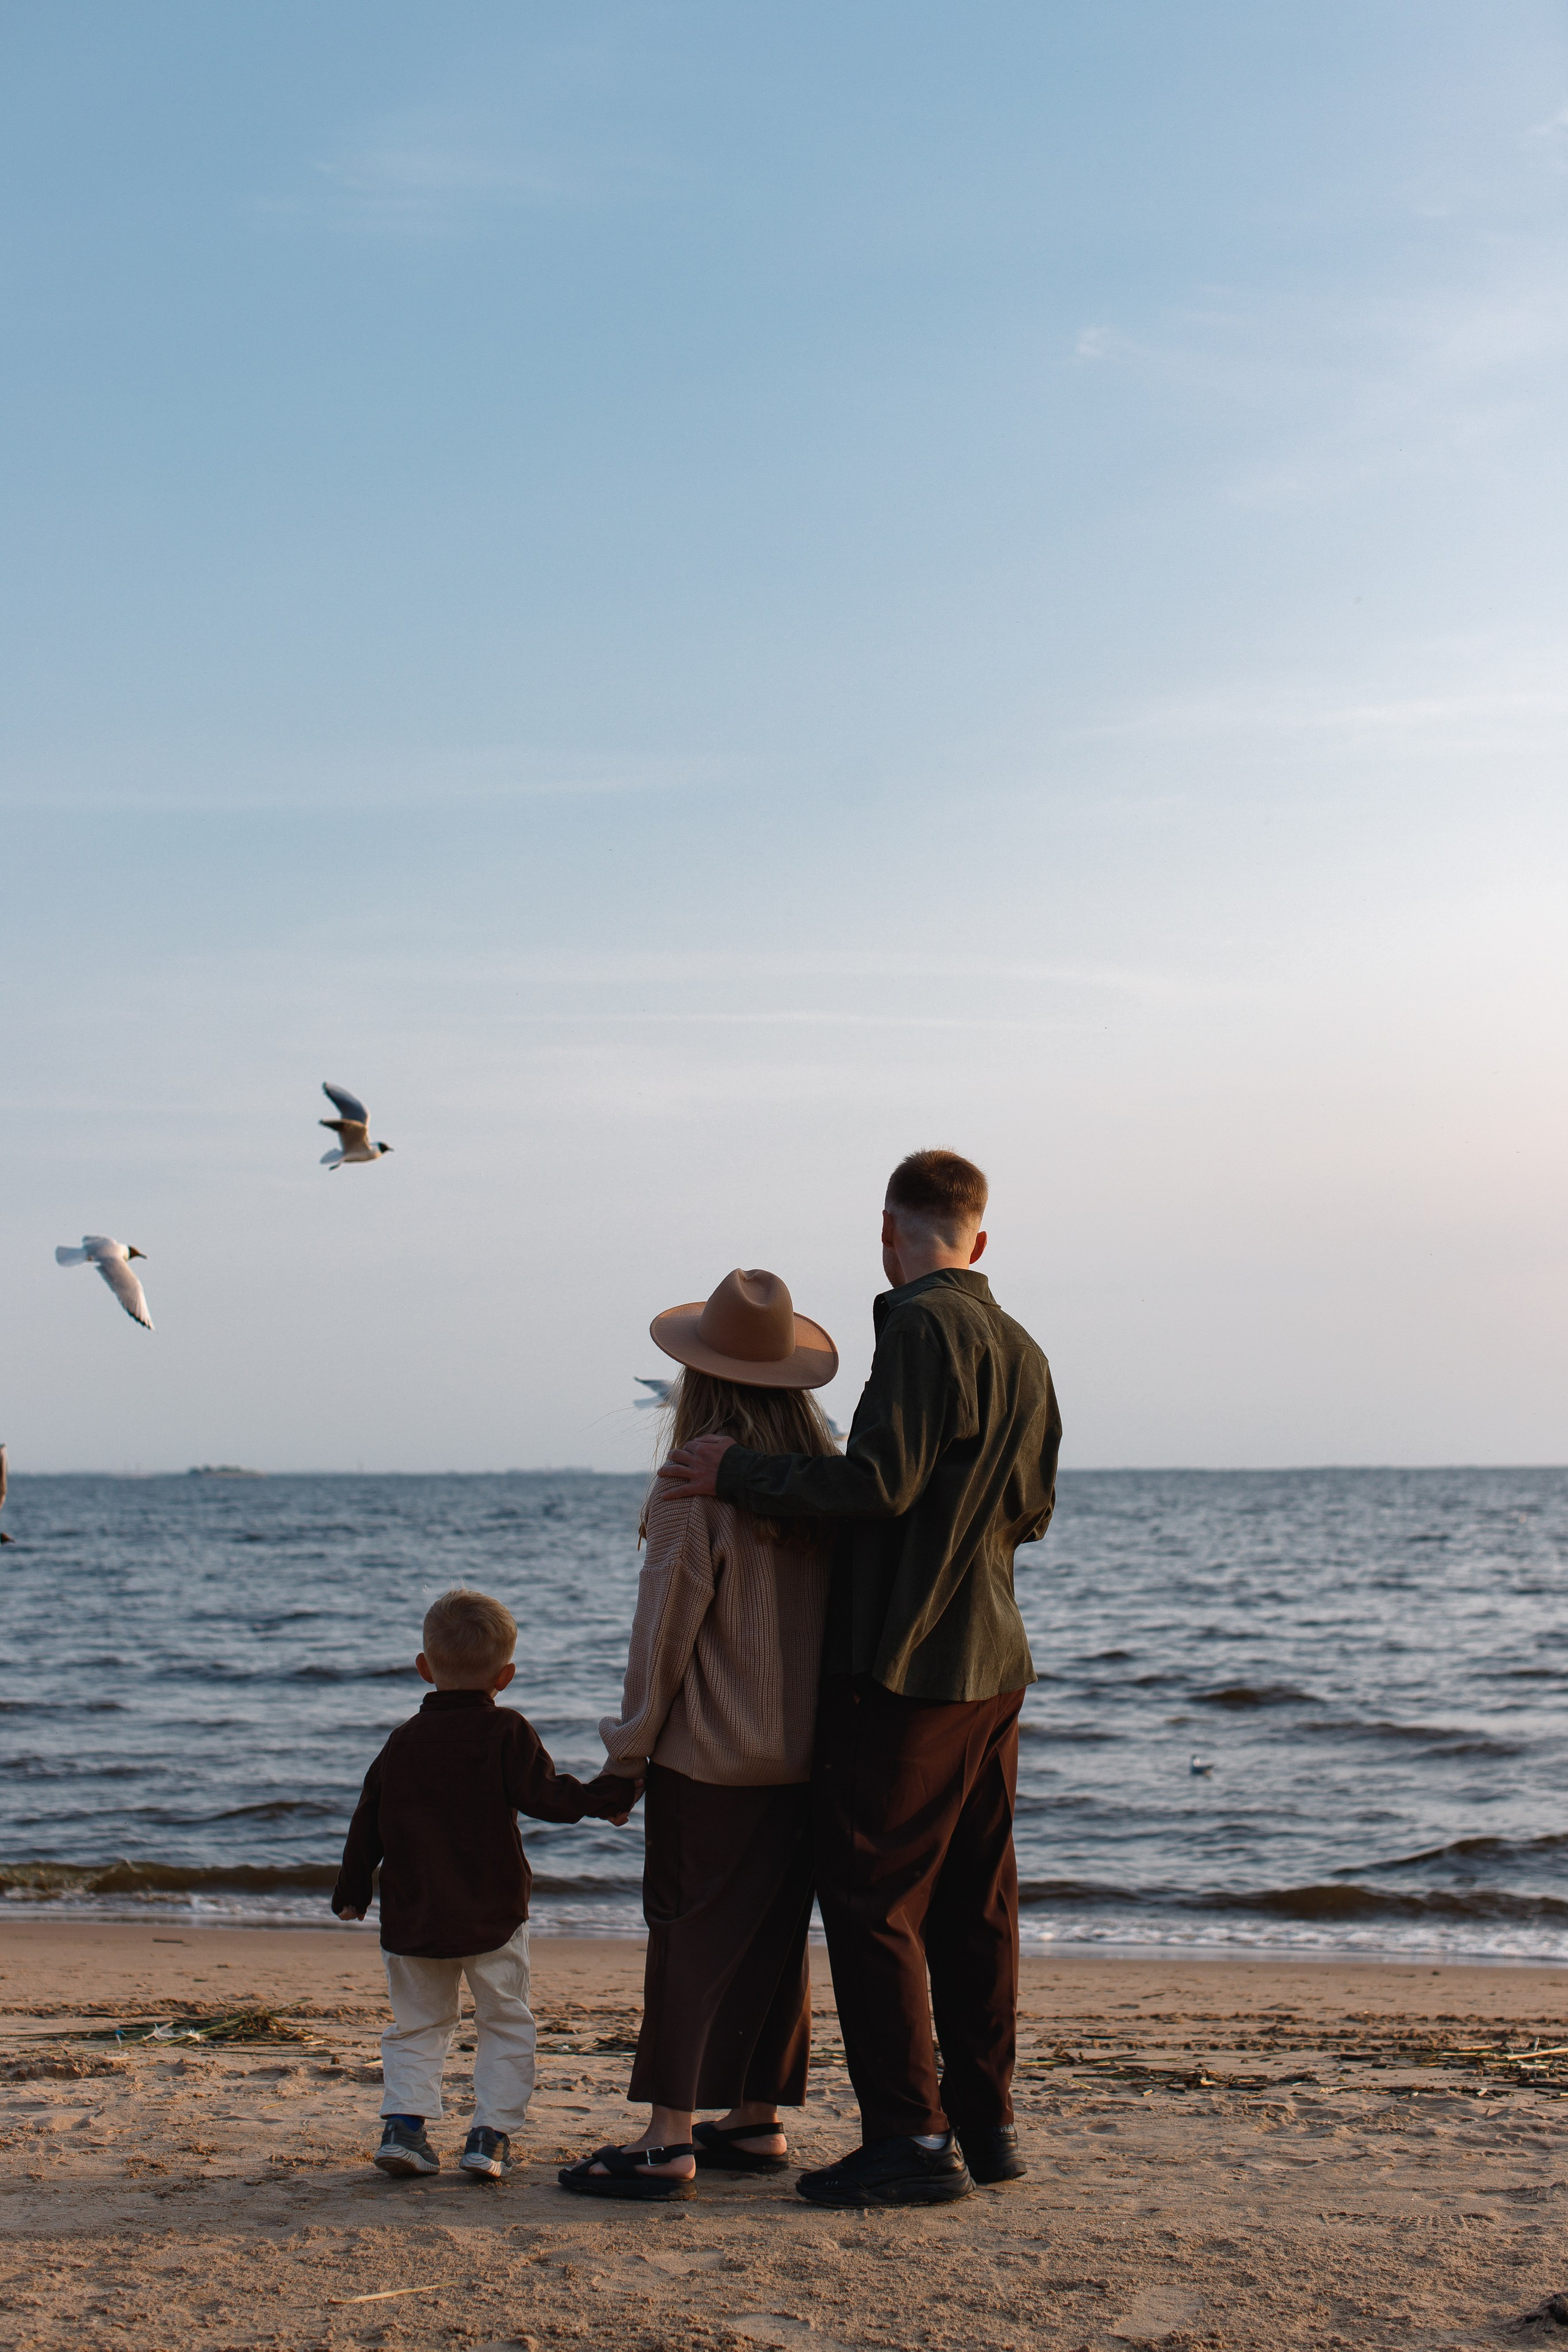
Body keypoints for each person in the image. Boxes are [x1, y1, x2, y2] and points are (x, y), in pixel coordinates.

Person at [659, 1149, 1061, 2210]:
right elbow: (1034, 1506)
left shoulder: (920, 1325)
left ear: (889, 1233)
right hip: (995, 1658)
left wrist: (734, 1473)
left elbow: (880, 1484)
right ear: (980, 1238)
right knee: (977, 1905)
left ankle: (911, 2141)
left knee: (873, 1895)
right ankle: (987, 2120)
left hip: (907, 1661)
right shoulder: (1023, 1345)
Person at [559, 1267, 840, 2203]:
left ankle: (667, 2137)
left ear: (700, 1382)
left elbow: (664, 1637)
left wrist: (627, 1752)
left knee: (686, 1934)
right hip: (809, 1758)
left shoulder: (692, 1486)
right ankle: (756, 2119)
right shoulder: (827, 1487)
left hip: (710, 1757)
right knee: (772, 1940)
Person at [333, 1586, 639, 2182]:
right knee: (504, 2019)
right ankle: (490, 2136)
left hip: (414, 1916)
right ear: (507, 1675)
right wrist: (612, 1795)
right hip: (493, 1912)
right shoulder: (506, 1732)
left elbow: (366, 1817)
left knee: (418, 2023)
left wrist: (352, 1891)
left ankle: (406, 2127)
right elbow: (546, 1798)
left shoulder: (402, 1741)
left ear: (424, 1667)